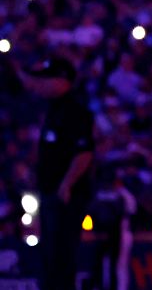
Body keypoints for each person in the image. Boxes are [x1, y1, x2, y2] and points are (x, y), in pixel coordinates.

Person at [13, 56, 95, 290]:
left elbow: (84, 152)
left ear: (63, 80)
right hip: (50, 192)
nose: (43, 84)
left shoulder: (75, 111)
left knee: (61, 255)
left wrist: (67, 184)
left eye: (48, 79)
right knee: (50, 254)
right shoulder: (52, 110)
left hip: (66, 196)